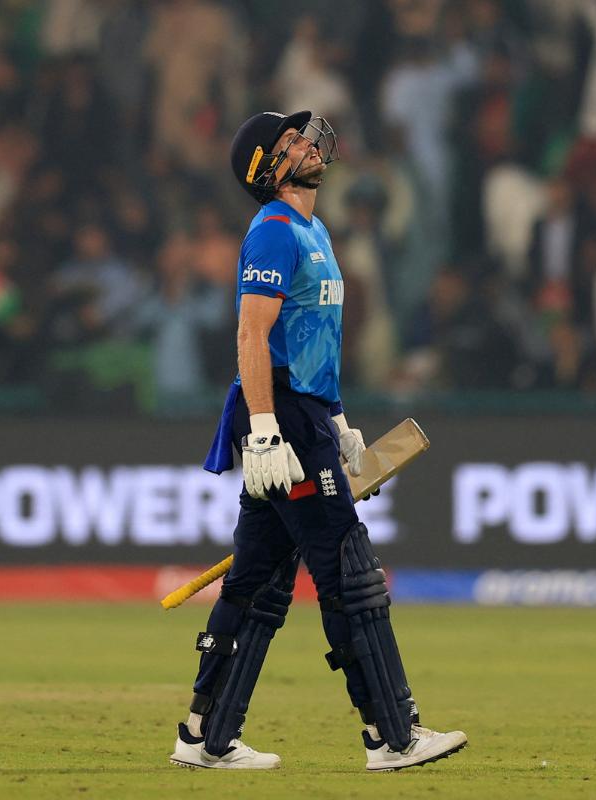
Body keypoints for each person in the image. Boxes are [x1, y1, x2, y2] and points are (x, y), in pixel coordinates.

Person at [170, 110, 467, 771]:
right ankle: (391, 735)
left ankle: (203, 735)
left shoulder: (315, 230)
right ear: (270, 171)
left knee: (257, 582)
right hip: (276, 416)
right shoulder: (275, 231)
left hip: (303, 415)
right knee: (348, 572)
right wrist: (271, 429)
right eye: (290, 142)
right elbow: (251, 336)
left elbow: (313, 344)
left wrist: (338, 421)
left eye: (302, 136)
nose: (308, 143)